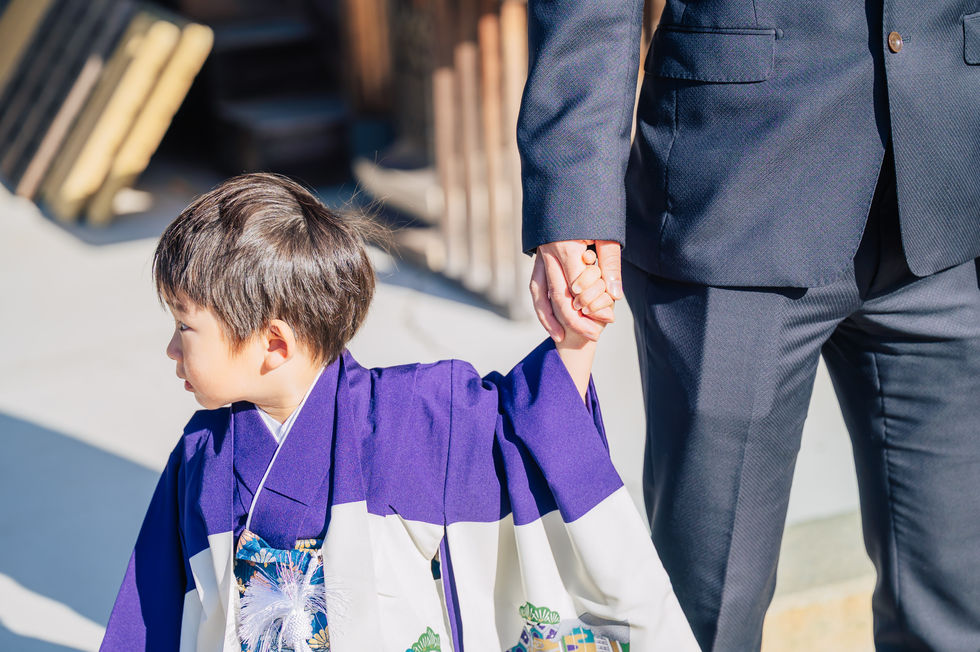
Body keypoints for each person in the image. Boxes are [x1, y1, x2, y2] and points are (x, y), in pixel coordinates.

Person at [519, 2, 980, 650]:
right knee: (707, 615)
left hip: (948, 194)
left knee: (957, 613)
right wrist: (572, 192)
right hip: (736, 193)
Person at [99, 173, 699, 651]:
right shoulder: (202, 454)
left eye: (184, 327)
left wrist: (575, 343)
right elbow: (151, 609)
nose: (171, 349)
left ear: (273, 343)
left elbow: (530, 426)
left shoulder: (413, 418)